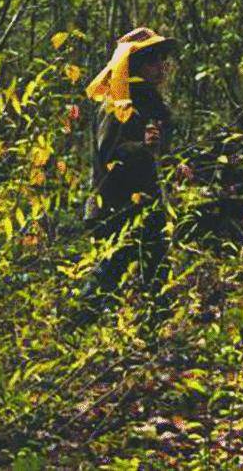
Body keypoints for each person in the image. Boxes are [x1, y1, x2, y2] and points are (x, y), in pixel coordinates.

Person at [80, 26, 184, 323]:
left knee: (156, 271)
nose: (161, 66)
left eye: (163, 58)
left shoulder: (149, 101)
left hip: (145, 203)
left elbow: (156, 154)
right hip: (117, 205)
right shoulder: (119, 102)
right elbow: (110, 155)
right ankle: (72, 326)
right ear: (135, 65)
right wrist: (143, 147)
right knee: (109, 272)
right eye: (153, 60)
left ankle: (153, 342)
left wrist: (173, 162)